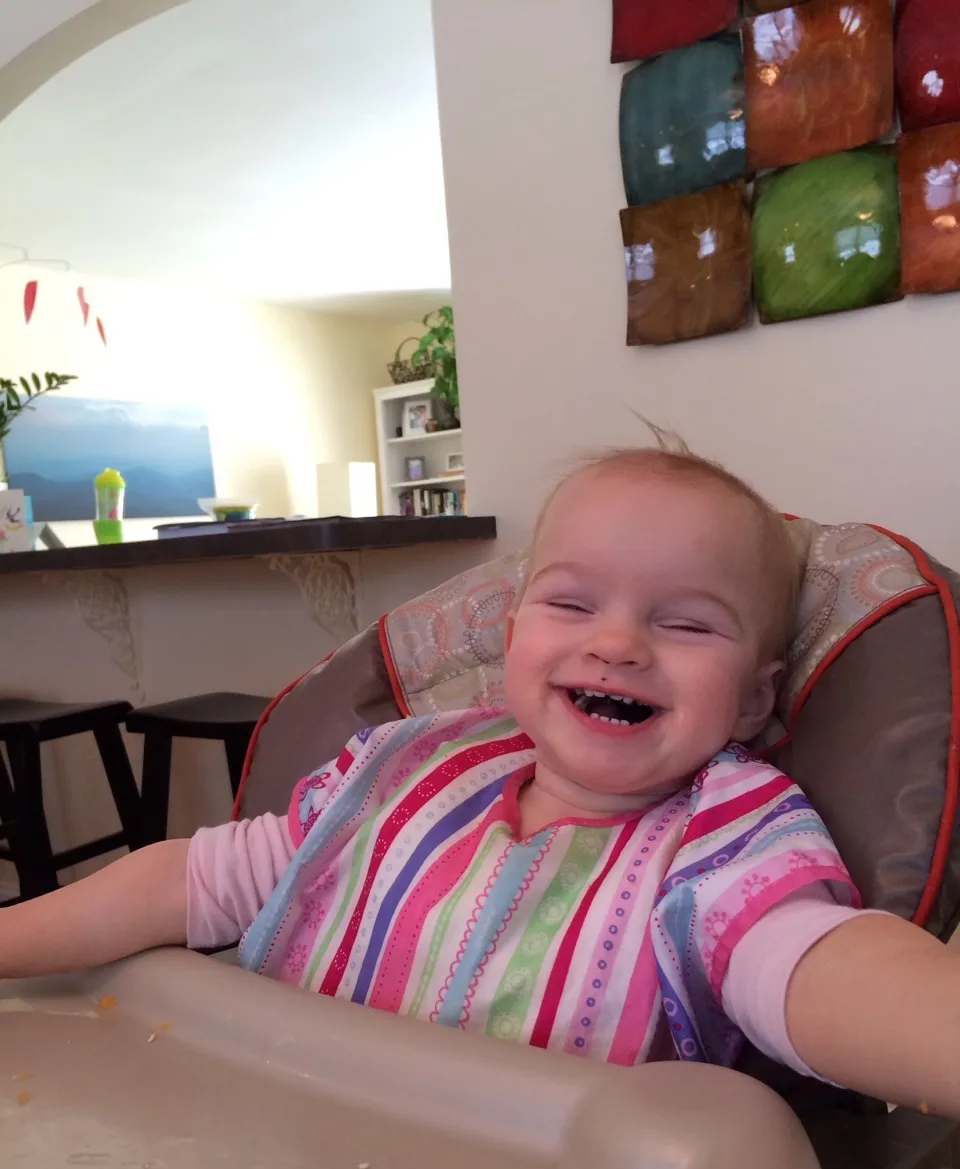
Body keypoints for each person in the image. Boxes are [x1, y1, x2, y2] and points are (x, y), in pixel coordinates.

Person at [3, 445, 959, 1116]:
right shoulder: (403, 770)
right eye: (573, 603)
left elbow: (821, 970)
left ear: (754, 703)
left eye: (687, 624)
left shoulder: (726, 844)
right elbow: (191, 881)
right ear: (510, 645)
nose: (617, 642)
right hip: (268, 1150)